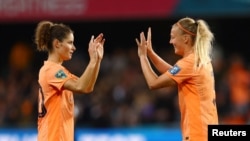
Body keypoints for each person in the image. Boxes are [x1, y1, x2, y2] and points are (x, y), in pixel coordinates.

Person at [135, 17, 218, 141]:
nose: (170, 41)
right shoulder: (200, 60)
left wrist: (142, 57)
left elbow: (153, 83)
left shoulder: (189, 63)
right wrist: (150, 53)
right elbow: (172, 72)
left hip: (197, 133)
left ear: (185, 38)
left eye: (173, 37)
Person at [34, 21, 105, 141]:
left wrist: (97, 60)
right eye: (70, 43)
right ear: (57, 44)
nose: (74, 48)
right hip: (53, 137)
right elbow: (80, 86)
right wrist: (92, 60)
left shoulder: (59, 71)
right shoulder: (52, 71)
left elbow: (87, 87)